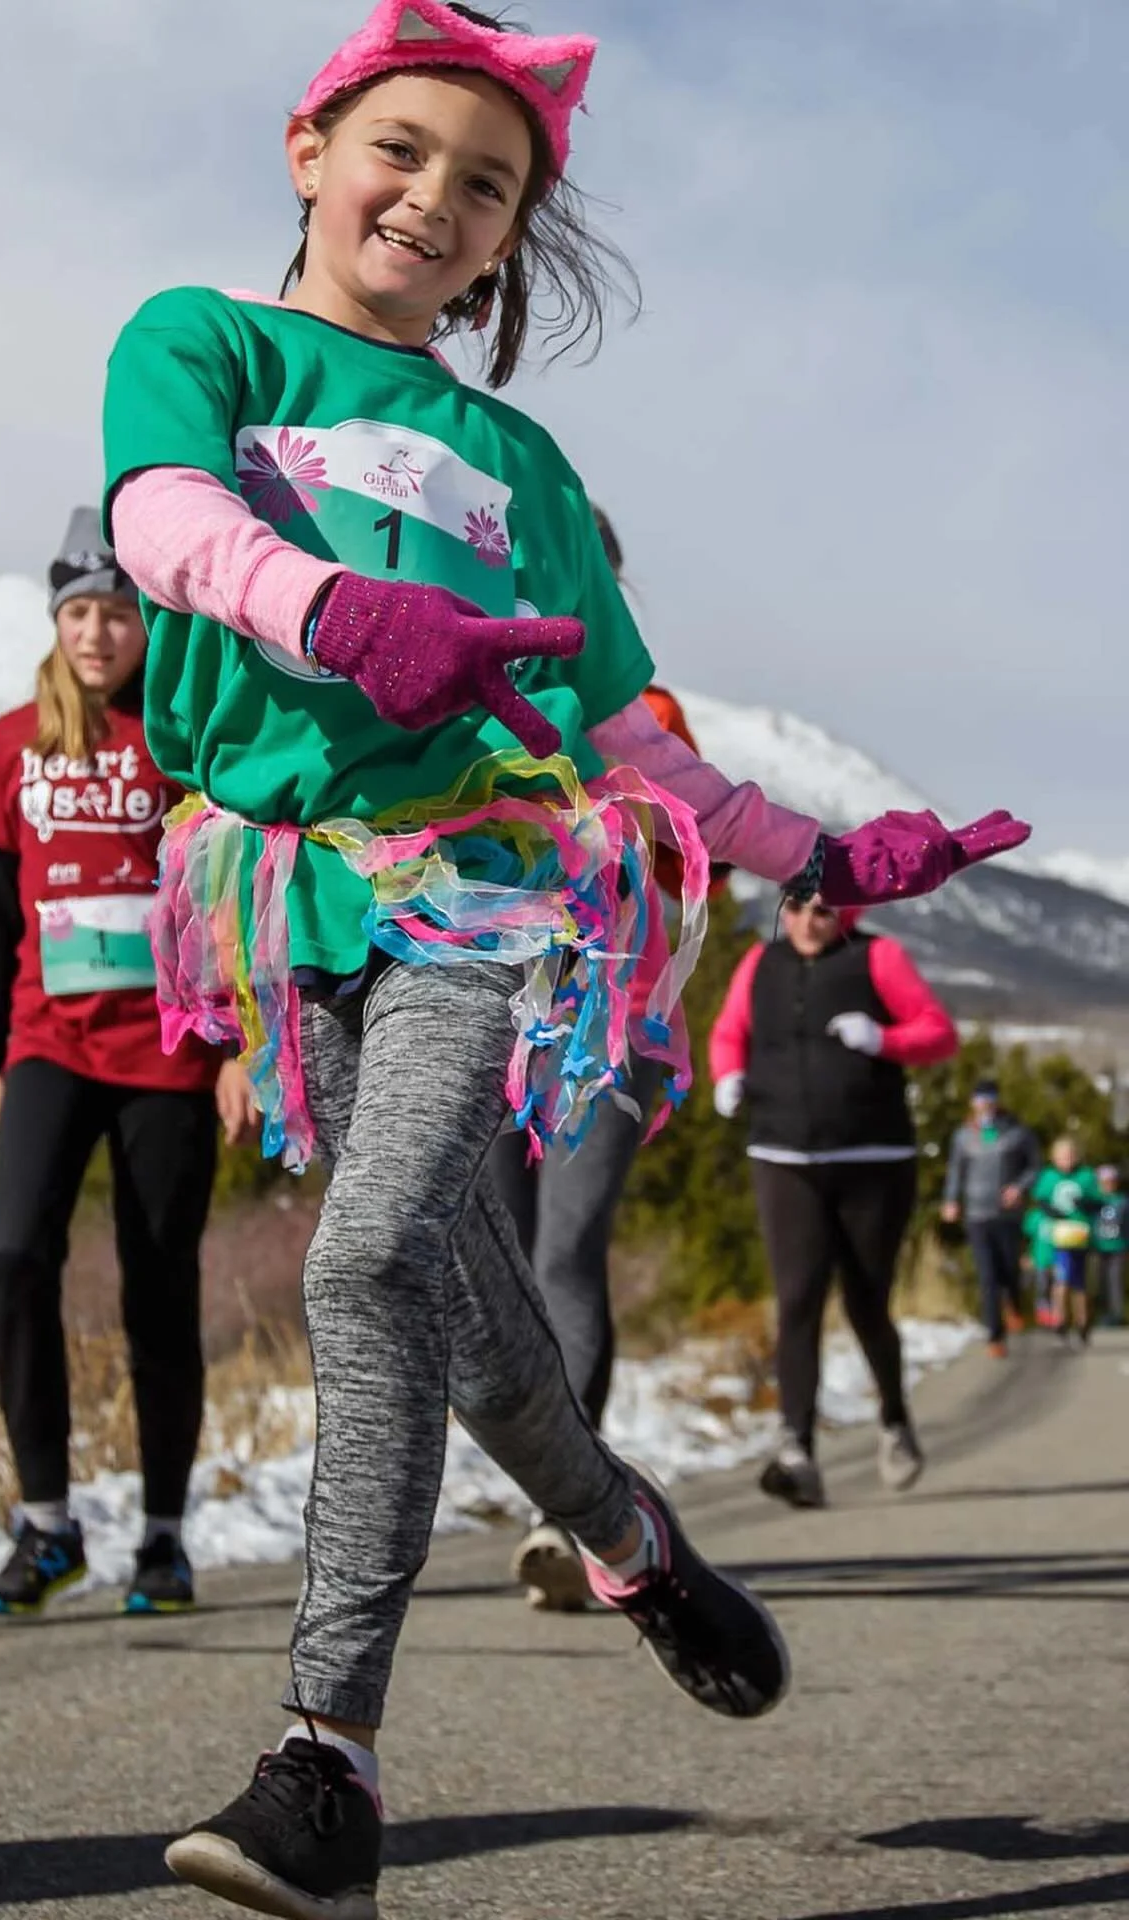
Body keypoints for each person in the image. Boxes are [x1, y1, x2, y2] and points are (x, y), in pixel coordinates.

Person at [100, 6, 1027, 1911]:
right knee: (456, 1315)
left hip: (472, 894)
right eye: (405, 155)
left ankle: (323, 1770)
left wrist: (830, 850)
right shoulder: (200, 341)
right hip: (282, 894)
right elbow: (161, 521)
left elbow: (628, 740)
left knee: (369, 1266)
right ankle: (628, 1537)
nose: (436, 202)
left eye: (489, 186)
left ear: (515, 236)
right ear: (309, 149)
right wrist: (340, 610)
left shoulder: (510, 452)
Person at [0, 509, 254, 1618]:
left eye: (117, 613)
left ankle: (164, 1538)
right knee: (16, 1254)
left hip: (169, 1049)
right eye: (79, 613)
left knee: (159, 1287)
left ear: (145, 623)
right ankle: (45, 1526)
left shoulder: (182, 741)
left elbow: (226, 898)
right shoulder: (10, 743)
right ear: (57, 623)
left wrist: (236, 1043)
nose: (98, 633)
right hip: (47, 1043)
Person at [490, 503, 728, 1611]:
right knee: (495, 1264)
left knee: (564, 1258)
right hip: (488, 1023)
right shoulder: (461, 698)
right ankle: (570, 1489)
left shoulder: (650, 711)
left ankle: (568, 1519)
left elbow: (688, 869)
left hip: (610, 1024)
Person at [709, 901, 959, 1508]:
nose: (807, 921)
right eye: (794, 907)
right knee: (798, 1299)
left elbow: (939, 1033)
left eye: (822, 911)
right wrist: (727, 1074)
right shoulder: (759, 962)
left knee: (866, 1303)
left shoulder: (878, 956)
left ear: (845, 913)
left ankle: (895, 1420)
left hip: (872, 1159)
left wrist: (884, 1038)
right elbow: (728, 1031)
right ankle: (797, 1449)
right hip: (784, 1156)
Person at [941, 1079, 1040, 1356]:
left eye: (989, 1100)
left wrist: (1019, 1188)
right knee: (987, 1276)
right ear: (973, 1104)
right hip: (976, 1213)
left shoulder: (1017, 1132)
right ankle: (995, 1336)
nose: (984, 1106)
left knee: (1009, 1270)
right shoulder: (962, 1136)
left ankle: (1014, 1302)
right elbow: (955, 1171)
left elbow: (1034, 1167)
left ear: (997, 1102)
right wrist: (951, 1200)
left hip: (1007, 1214)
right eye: (979, 1101)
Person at [1024, 1138, 1101, 1345]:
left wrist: (1085, 1204)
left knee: (1080, 1282)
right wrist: (1052, 1212)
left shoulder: (1086, 1176)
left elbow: (1098, 1202)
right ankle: (1060, 1319)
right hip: (1058, 1237)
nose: (1067, 1160)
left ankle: (1082, 1321)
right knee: (1062, 1279)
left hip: (1081, 1235)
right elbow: (1041, 1200)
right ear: (1054, 1158)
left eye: (1070, 1156)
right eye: (1063, 1156)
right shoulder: (1049, 1176)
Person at [1092, 1164, 1127, 1327]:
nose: (1107, 1184)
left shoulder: (1123, 1201)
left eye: (1110, 1181)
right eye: (1104, 1181)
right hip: (1098, 1248)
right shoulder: (1094, 1200)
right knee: (1100, 1282)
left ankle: (1116, 1314)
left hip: (1118, 1247)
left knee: (1115, 1282)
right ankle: (1103, 1314)